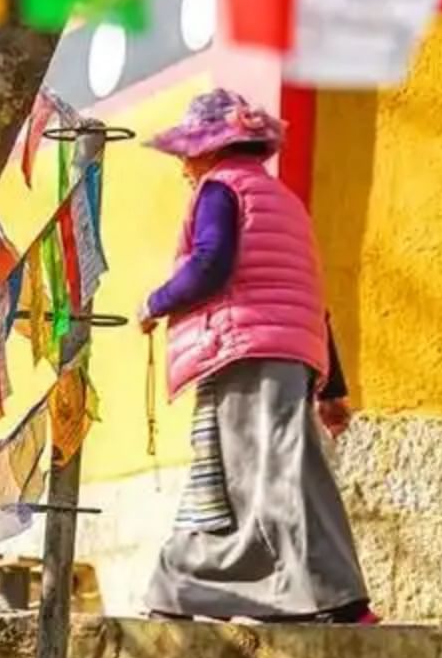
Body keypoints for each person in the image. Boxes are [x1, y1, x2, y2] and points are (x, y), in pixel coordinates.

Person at [136, 88, 375, 625]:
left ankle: (198, 586)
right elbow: (315, 300)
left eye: (186, 154)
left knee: (252, 481)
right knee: (285, 472)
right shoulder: (284, 200)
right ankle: (336, 598)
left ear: (210, 148)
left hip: (243, 348)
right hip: (290, 353)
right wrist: (331, 386)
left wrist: (154, 303)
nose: (183, 168)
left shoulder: (220, 190)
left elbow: (210, 265)